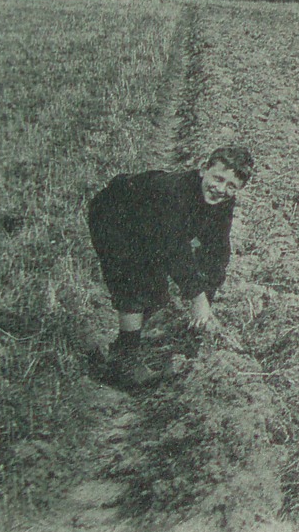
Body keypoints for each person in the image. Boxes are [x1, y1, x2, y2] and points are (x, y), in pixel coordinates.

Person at [86, 145, 254, 387]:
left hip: (148, 227)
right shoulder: (173, 191)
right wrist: (196, 299)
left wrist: (207, 295)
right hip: (115, 215)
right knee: (135, 280)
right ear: (202, 170)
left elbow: (217, 251)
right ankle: (124, 364)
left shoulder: (223, 204)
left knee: (157, 293)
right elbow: (174, 248)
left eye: (231, 186)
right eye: (218, 178)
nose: (220, 189)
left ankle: (122, 346)